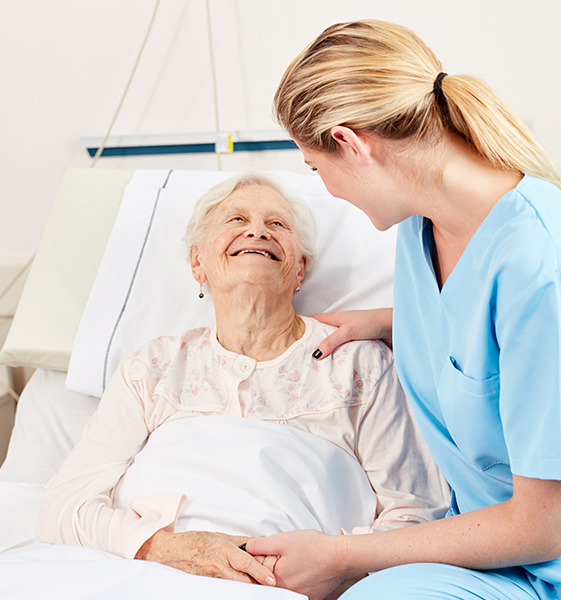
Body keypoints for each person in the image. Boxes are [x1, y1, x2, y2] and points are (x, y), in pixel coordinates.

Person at [245, 19, 561, 600]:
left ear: (351, 143)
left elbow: (547, 527)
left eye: (317, 169)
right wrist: (387, 322)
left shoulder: (542, 266)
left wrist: (341, 554)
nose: (327, 189)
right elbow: (475, 331)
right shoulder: (421, 223)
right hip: (482, 547)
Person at [36, 172, 449, 590]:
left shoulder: (360, 364)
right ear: (197, 262)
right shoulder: (152, 368)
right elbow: (63, 509)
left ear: (300, 268)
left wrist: (330, 566)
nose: (256, 231)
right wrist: (172, 549)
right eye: (235, 220)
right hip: (144, 576)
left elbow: (416, 515)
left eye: (277, 224)